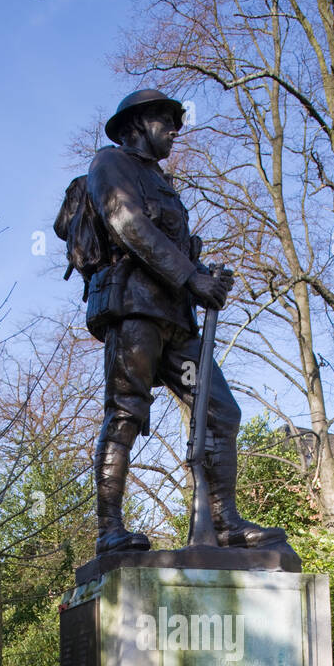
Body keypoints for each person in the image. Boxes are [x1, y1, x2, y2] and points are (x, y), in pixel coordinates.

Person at [84, 88, 288, 555]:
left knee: (219, 410)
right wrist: (192, 277)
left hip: (177, 319)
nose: (175, 130)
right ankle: (109, 529)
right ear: (137, 125)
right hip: (135, 309)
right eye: (165, 121)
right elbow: (129, 225)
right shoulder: (110, 164)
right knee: (126, 410)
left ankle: (224, 522)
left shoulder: (164, 182)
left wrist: (201, 276)